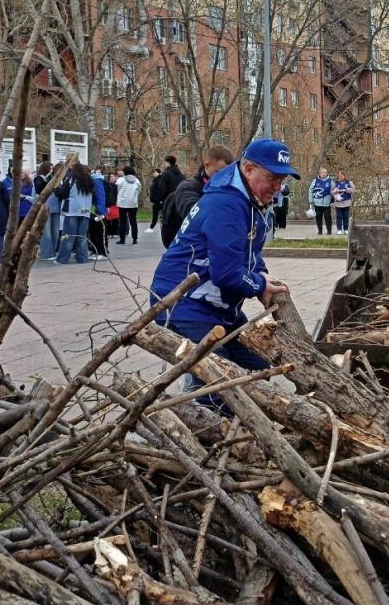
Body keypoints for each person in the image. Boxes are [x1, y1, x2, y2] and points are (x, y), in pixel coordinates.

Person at [150, 139, 296, 410]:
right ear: (249, 169)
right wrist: (258, 285)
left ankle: (212, 404)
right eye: (273, 177)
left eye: (283, 179)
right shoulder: (227, 204)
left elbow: (249, 253)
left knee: (258, 364)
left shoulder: (251, 201)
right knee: (221, 385)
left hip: (217, 309)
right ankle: (204, 433)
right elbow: (227, 273)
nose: (278, 187)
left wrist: (261, 276)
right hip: (185, 305)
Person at [161, 145, 234, 248]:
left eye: (227, 173)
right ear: (206, 165)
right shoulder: (188, 187)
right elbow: (193, 214)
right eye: (218, 172)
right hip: (186, 249)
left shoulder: (228, 188)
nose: (223, 177)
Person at [55, 163, 104, 264]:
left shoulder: (71, 180)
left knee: (68, 236)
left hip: (72, 211)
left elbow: (63, 194)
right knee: (82, 237)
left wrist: (56, 189)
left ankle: (62, 259)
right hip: (85, 211)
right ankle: (82, 258)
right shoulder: (89, 181)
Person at [33, 162, 61, 260]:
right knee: (47, 232)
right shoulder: (39, 178)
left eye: (52, 169)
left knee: (55, 232)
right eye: (50, 168)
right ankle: (47, 253)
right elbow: (39, 189)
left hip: (55, 207)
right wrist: (48, 179)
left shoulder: (54, 178)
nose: (51, 170)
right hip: (45, 207)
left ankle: (53, 252)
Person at [88, 167, 114, 260]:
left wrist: (101, 212)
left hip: (98, 211)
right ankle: (95, 251)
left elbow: (101, 197)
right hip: (94, 210)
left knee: (99, 232)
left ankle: (102, 252)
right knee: (93, 232)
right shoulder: (94, 181)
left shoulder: (96, 182)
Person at [116, 166, 142, 244]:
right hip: (133, 204)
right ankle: (135, 239)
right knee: (133, 221)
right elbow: (139, 191)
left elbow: (117, 189)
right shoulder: (137, 181)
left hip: (122, 204)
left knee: (122, 221)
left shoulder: (121, 180)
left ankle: (122, 239)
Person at [309, 167, 333, 235]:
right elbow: (310, 190)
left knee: (327, 218)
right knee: (318, 218)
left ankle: (329, 230)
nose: (324, 174)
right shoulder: (315, 181)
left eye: (326, 172)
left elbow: (334, 190)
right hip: (317, 203)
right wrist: (311, 200)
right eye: (323, 172)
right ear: (320, 173)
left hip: (326, 203)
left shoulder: (330, 181)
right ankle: (320, 231)